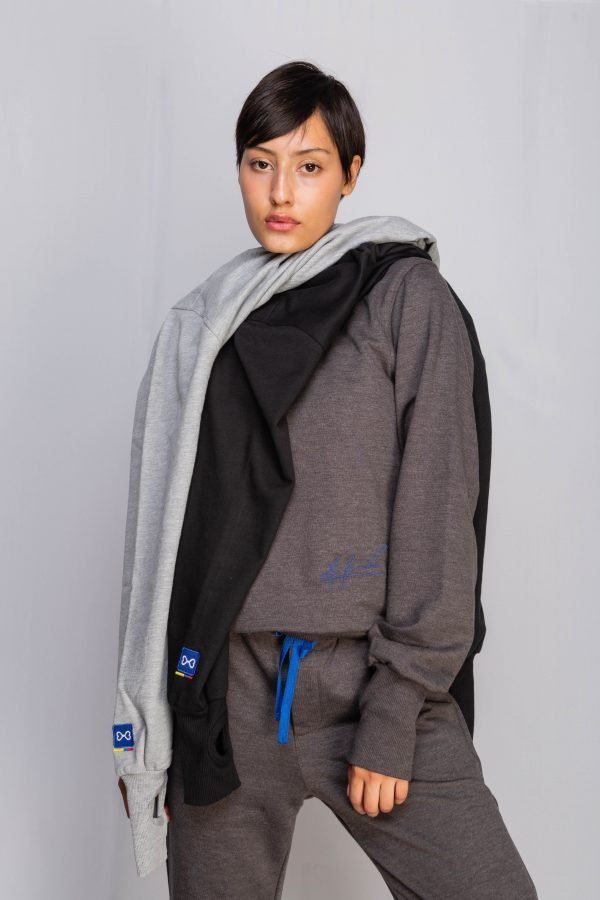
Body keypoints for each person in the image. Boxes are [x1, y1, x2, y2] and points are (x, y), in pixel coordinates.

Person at [116, 60, 538, 898]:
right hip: (225, 700)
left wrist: (395, 710)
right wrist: (152, 726)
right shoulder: (207, 325)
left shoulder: (406, 298)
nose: (281, 191)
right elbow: (161, 541)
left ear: (350, 174)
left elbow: (438, 512)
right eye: (260, 163)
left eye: (309, 166)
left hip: (371, 688)